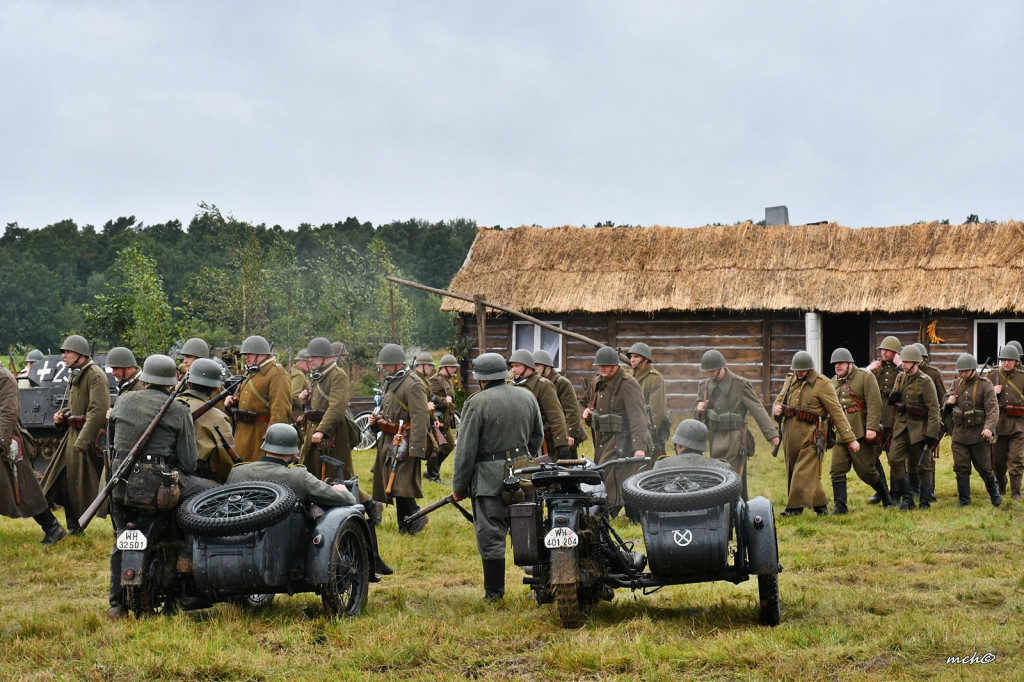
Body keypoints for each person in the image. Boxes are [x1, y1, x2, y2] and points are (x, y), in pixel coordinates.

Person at [106, 354, 207, 620]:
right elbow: (188, 461)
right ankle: (187, 554)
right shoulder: (179, 409)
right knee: (204, 493)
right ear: (173, 381)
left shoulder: (123, 401)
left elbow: (111, 444)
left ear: (146, 377)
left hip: (120, 486)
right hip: (159, 489)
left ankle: (116, 605)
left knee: (119, 540)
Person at [228, 423, 391, 576]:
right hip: (286, 549)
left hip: (239, 543)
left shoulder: (237, 473)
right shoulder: (298, 476)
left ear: (265, 447)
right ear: (294, 452)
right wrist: (341, 490)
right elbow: (347, 499)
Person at [452, 353, 544, 601]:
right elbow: (538, 436)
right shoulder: (527, 396)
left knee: (491, 534)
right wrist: (523, 460)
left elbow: (465, 451)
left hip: (488, 481)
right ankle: (541, 586)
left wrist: (459, 487)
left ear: (481, 379)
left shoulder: (476, 403)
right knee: (529, 530)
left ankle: (494, 593)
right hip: (524, 476)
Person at [40, 334, 111, 534]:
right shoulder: (76, 373)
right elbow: (77, 405)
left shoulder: (95, 375)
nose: (64, 355)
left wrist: (84, 439)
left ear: (80, 354)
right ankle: (72, 526)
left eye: (68, 352)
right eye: (63, 352)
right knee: (62, 482)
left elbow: (98, 410)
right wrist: (62, 417)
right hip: (72, 434)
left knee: (90, 486)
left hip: (84, 437)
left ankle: (87, 526)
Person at [772, 351, 858, 516]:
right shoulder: (790, 379)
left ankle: (793, 509)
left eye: (802, 370)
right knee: (796, 470)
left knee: (802, 470)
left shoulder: (823, 384)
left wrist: (850, 439)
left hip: (813, 434)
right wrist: (776, 409)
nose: (799, 373)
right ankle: (820, 505)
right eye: (796, 370)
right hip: (790, 432)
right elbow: (779, 400)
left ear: (810, 368)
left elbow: (837, 412)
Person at [299, 338, 377, 514]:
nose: (310, 360)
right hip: (318, 431)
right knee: (312, 473)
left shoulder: (337, 375)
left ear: (325, 357)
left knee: (339, 479)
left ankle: (370, 506)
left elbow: (337, 407)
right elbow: (317, 404)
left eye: (314, 357)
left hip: (333, 434)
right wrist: (306, 402)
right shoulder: (319, 375)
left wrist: (321, 430)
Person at [693, 349, 780, 500]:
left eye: (712, 370)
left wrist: (771, 435)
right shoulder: (704, 386)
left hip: (734, 438)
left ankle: (735, 507)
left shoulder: (740, 384)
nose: (710, 374)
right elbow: (695, 409)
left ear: (721, 368)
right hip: (712, 438)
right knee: (716, 475)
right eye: (707, 371)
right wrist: (698, 408)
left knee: (732, 476)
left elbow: (757, 409)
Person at [0, 365, 67, 544]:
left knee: (25, 489)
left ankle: (52, 528)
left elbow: (8, 412)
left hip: (8, 443)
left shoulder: (4, 377)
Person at [581, 346, 651, 516]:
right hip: (602, 439)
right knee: (601, 473)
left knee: (611, 476)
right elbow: (594, 407)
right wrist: (588, 414)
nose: (602, 368)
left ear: (615, 365)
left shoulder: (628, 384)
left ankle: (607, 512)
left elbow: (638, 418)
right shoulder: (597, 382)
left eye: (606, 365)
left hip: (622, 440)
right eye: (600, 365)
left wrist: (639, 447)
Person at [369, 344, 429, 533]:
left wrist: (416, 449)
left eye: (386, 364)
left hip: (406, 440)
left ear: (398, 364)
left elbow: (421, 418)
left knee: (400, 484)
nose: (383, 367)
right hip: (390, 440)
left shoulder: (413, 384)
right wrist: (377, 421)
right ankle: (406, 525)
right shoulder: (392, 381)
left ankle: (417, 518)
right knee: (393, 484)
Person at [828, 347, 891, 512]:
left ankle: (886, 497)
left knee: (866, 471)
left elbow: (874, 404)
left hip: (860, 431)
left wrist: (871, 428)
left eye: (840, 363)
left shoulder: (865, 377)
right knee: (836, 469)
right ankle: (840, 506)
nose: (837, 367)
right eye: (835, 364)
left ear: (849, 363)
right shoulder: (833, 382)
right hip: (841, 433)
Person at [885, 345, 941, 510]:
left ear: (916, 362)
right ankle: (908, 498)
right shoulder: (901, 377)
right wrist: (893, 398)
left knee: (924, 466)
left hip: (919, 429)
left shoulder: (926, 381)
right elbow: (895, 399)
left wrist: (931, 433)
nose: (904, 364)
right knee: (894, 459)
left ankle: (925, 502)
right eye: (903, 361)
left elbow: (934, 409)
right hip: (902, 427)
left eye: (908, 361)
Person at [944, 353, 1001, 507]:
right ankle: (964, 500)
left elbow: (993, 410)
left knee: (984, 469)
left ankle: (994, 493)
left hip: (978, 435)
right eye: (961, 371)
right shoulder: (956, 384)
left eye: (966, 371)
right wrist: (948, 401)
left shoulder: (985, 385)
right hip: (960, 435)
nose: (963, 374)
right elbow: (946, 400)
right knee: (961, 468)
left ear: (972, 369)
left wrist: (989, 428)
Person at [224, 335, 291, 462]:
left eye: (250, 353)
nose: (246, 357)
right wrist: (233, 400)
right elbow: (247, 396)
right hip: (243, 434)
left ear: (261, 354)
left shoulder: (277, 373)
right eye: (245, 353)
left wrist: (271, 442)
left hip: (260, 437)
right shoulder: (253, 371)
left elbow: (280, 412)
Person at [176, 358, 237, 484]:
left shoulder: (169, 404)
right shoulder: (217, 417)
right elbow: (225, 463)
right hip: (193, 480)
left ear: (188, 383)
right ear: (215, 389)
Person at [509, 348, 569, 459]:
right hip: (514, 441)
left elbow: (555, 415)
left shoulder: (543, 385)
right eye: (512, 366)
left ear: (528, 367)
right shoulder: (510, 385)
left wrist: (561, 442)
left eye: (517, 366)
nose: (514, 370)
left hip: (537, 441)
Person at [866, 335, 903, 505]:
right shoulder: (876, 367)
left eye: (888, 350)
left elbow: (916, 378)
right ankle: (881, 490)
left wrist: (901, 364)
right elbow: (860, 379)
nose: (884, 353)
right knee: (872, 457)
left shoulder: (902, 368)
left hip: (895, 419)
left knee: (894, 458)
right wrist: (869, 369)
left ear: (895, 352)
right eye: (882, 350)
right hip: (877, 419)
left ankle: (895, 494)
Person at [533, 349, 588, 456]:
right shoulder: (539, 383)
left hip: (564, 433)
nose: (534, 368)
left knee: (566, 466)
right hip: (549, 433)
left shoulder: (562, 383)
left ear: (547, 366)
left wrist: (570, 434)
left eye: (537, 365)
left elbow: (572, 411)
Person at [990, 345, 1024, 500]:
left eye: (1010, 360)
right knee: (997, 462)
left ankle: (1016, 493)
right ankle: (1001, 487)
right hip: (998, 425)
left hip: (1018, 425)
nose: (1007, 363)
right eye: (1004, 360)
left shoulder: (1022, 377)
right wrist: (992, 391)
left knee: (1016, 459)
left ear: (1016, 362)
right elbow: (982, 399)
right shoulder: (992, 376)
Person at [628, 342, 668, 456]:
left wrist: (644, 437)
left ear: (645, 360)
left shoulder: (655, 379)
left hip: (646, 432)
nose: (632, 360)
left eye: (636, 356)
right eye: (631, 357)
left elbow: (655, 413)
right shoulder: (628, 376)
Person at [426, 354, 459, 483]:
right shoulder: (436, 380)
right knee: (440, 446)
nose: (454, 370)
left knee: (447, 445)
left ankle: (432, 472)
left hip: (444, 420)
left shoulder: (446, 380)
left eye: (455, 367)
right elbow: (428, 397)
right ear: (444, 367)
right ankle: (433, 475)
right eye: (452, 367)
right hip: (437, 420)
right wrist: (444, 400)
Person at [289, 348, 312, 439]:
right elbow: (294, 395)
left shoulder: (301, 374)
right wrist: (305, 404)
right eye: (309, 362)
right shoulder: (299, 375)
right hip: (298, 415)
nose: (311, 364)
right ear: (303, 362)